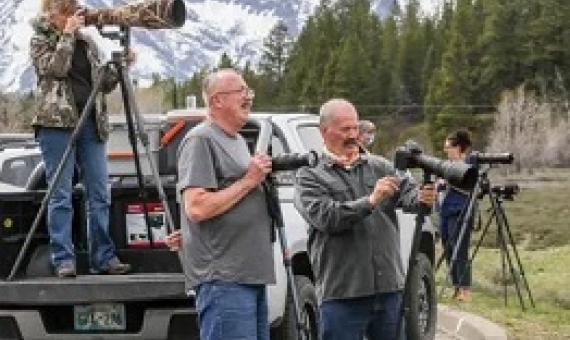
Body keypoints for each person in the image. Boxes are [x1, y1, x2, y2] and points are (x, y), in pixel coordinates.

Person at [294, 98, 436, 340]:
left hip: (389, 291)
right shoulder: (309, 174)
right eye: (345, 129)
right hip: (342, 294)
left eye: (355, 128)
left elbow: (410, 198)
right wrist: (371, 201)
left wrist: (425, 197)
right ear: (324, 131)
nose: (353, 135)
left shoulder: (380, 166)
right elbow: (327, 217)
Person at [165, 69, 275, 340]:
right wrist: (249, 181)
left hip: (248, 276)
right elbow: (197, 207)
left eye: (248, 91)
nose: (248, 97)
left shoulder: (237, 140)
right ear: (217, 101)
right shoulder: (201, 139)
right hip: (224, 279)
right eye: (241, 92)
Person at [30, 0, 131, 278]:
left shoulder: (87, 42)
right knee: (60, 193)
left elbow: (102, 83)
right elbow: (56, 69)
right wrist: (66, 37)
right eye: (66, 12)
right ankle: (64, 258)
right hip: (56, 124)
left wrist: (120, 68)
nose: (73, 18)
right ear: (52, 15)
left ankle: (104, 257)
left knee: (99, 191)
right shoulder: (40, 40)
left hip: (91, 121)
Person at [437, 130, 474, 302]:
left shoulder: (469, 166)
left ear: (458, 147)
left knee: (460, 249)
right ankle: (456, 286)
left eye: (448, 147)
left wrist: (449, 182)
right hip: (445, 211)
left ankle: (465, 289)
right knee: (448, 247)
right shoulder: (445, 166)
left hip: (460, 211)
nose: (445, 150)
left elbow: (473, 190)